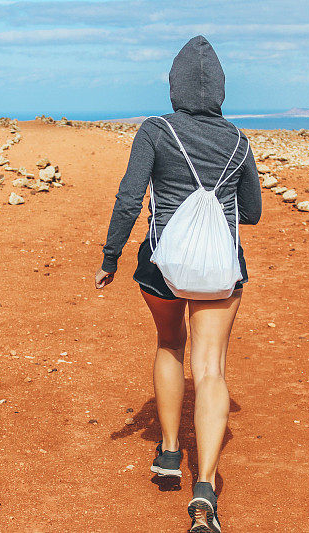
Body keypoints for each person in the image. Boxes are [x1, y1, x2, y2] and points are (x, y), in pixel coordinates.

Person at [94, 35, 262, 533]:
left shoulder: (156, 130)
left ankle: (168, 453)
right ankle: (205, 488)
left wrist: (109, 256)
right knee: (209, 369)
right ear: (221, 91)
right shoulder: (238, 141)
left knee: (170, 344)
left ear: (174, 85)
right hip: (221, 270)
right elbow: (250, 213)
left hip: (161, 267)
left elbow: (129, 199)